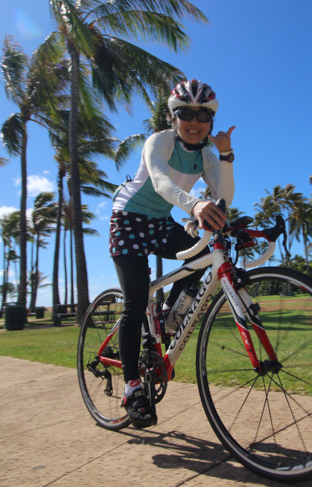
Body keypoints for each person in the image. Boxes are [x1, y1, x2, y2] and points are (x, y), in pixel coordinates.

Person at [109, 79, 235, 428]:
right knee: (135, 302)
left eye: (202, 115)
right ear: (173, 117)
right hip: (129, 219)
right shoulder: (159, 141)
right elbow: (162, 182)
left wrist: (225, 157)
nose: (194, 122)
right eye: (185, 114)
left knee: (200, 259)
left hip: (162, 220)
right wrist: (195, 206)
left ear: (210, 121)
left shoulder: (208, 155)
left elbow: (224, 194)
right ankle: (132, 388)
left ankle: (166, 317)